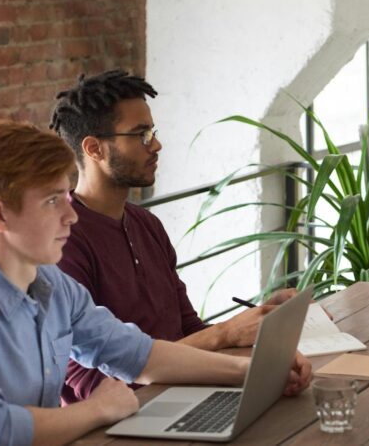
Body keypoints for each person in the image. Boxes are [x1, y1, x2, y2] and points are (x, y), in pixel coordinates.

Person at [0, 120, 312, 446]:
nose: (70, 216)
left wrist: (256, 371)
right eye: (51, 201)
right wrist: (99, 409)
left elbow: (138, 355)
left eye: (64, 196)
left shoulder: (55, 285)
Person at [48, 70, 300, 403]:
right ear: (94, 149)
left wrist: (254, 327)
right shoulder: (62, 241)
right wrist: (225, 335)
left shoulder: (147, 224)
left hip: (186, 394)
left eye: (152, 131)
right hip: (121, 420)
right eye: (140, 135)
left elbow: (188, 329)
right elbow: (91, 386)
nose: (156, 144)